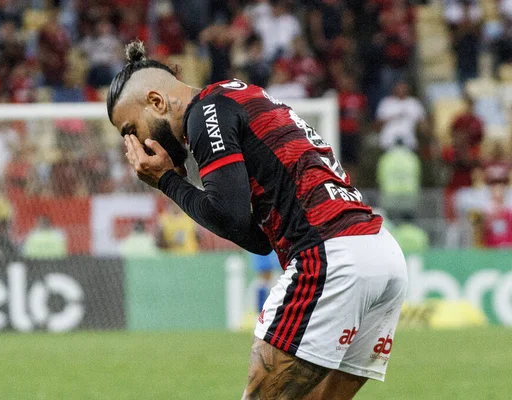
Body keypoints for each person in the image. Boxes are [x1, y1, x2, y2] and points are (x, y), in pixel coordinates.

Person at [107, 41, 408, 399]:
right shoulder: (239, 96)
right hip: (381, 254)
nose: (133, 143)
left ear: (156, 102)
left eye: (130, 128)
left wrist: (168, 182)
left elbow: (230, 217)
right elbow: (257, 237)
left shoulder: (205, 114)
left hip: (331, 256)